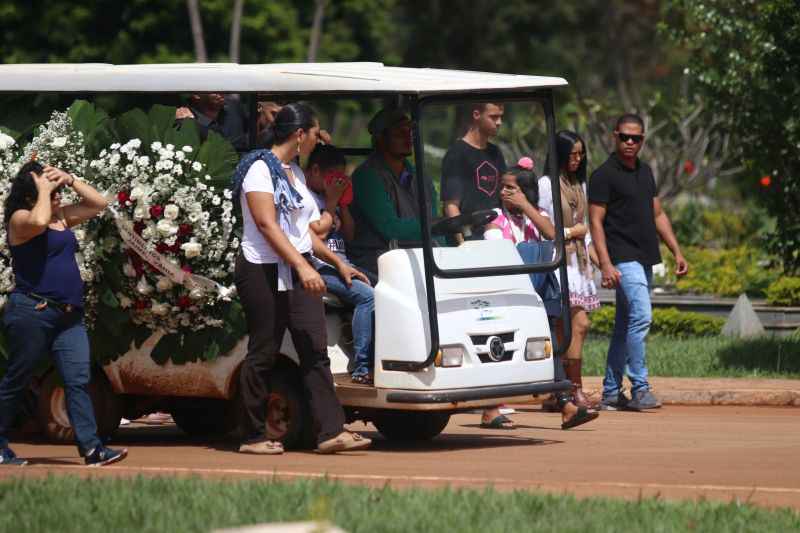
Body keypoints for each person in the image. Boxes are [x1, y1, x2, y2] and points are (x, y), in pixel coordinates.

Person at [231, 102, 371, 454]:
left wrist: (336, 263)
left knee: (314, 348)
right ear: (299, 134)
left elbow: (304, 232)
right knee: (263, 352)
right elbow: (267, 225)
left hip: (295, 266)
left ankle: (330, 432)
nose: (317, 139)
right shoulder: (259, 169)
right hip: (261, 269)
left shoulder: (293, 172)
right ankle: (252, 435)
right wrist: (304, 267)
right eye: (314, 133)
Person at [0, 161, 127, 466]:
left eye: (58, 192)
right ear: (32, 194)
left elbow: (97, 203)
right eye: (52, 192)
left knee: (78, 379)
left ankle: (91, 448)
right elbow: (40, 219)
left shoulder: (58, 216)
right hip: (33, 311)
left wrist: (69, 179)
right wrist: (44, 189)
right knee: (18, 378)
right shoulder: (20, 220)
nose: (58, 198)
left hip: (68, 316)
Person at [485, 158, 598, 430]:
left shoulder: (539, 218)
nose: (504, 193)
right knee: (500, 348)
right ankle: (489, 409)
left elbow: (552, 234)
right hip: (509, 294)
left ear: (526, 192)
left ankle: (566, 405)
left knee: (548, 348)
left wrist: (526, 207)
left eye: (511, 188)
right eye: (503, 187)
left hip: (538, 292)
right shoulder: (494, 218)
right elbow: (495, 247)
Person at [587, 113, 688, 411]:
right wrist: (605, 263)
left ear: (643, 140)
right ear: (614, 136)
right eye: (625, 137)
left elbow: (657, 214)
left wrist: (677, 251)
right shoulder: (604, 175)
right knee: (642, 317)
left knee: (624, 326)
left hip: (644, 257)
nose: (630, 142)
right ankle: (640, 387)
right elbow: (595, 222)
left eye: (636, 138)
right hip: (622, 259)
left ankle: (610, 391)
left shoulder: (645, 172)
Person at [539, 131, 601, 408]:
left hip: (579, 264)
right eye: (572, 153)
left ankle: (564, 390)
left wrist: (599, 258)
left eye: (581, 154)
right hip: (557, 261)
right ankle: (571, 390)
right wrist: (572, 232)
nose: (578, 159)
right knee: (577, 325)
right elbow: (542, 229)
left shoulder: (579, 184)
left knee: (571, 329)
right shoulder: (545, 185)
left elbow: (585, 228)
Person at [305, 144, 377, 384]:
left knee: (389, 286)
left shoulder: (331, 198)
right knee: (367, 296)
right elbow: (317, 236)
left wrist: (343, 203)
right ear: (315, 171)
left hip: (342, 262)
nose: (337, 182)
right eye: (333, 177)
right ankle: (362, 366)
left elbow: (350, 234)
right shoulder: (306, 198)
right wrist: (332, 201)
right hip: (318, 267)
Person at [349, 108, 434, 276]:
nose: (408, 137)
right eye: (399, 133)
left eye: (409, 131)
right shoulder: (366, 176)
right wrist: (434, 226)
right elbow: (391, 228)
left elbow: (434, 221)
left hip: (416, 256)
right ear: (380, 138)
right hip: (379, 261)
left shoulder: (421, 178)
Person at [441, 103, 507, 243]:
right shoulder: (457, 154)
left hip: (497, 239)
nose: (499, 122)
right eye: (493, 117)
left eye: (501, 117)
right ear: (476, 115)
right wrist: (465, 246)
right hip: (469, 241)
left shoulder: (495, 152)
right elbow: (451, 206)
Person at [176, 93, 248, 150]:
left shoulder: (234, 107)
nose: (221, 91)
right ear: (196, 94)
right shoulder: (184, 118)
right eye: (213, 87)